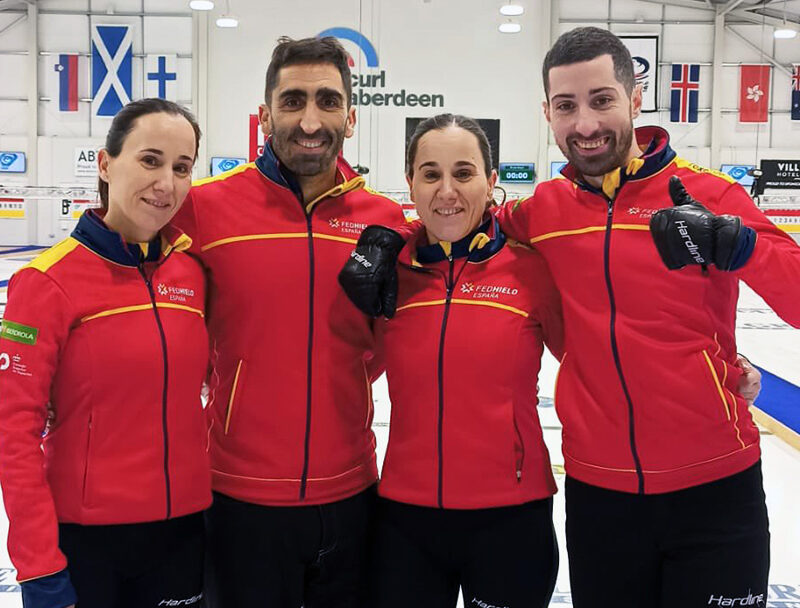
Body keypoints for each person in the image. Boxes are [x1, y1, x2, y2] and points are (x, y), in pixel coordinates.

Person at [339, 26, 800, 608]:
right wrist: (395, 243)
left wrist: (745, 248)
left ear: (635, 98)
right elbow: (459, 219)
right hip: (601, 496)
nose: (585, 124)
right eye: (567, 106)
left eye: (602, 100)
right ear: (548, 114)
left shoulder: (705, 196)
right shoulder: (542, 215)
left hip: (714, 485)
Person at [171, 36, 405, 607]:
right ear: (266, 113)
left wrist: (340, 385)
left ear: (350, 117)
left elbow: (381, 344)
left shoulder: (384, 221)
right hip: (237, 497)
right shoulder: (204, 208)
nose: (309, 119)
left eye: (327, 101)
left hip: (350, 490)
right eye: (293, 100)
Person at [0, 98, 210, 608]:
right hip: (87, 544)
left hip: (183, 535)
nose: (166, 183)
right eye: (150, 159)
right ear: (105, 163)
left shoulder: (191, 274)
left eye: (182, 168)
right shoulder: (46, 282)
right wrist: (39, 566)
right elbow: (12, 433)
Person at [368, 114, 562, 608]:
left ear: (491, 181)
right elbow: (344, 366)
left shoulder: (531, 269)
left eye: (464, 172)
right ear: (410, 183)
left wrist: (725, 366)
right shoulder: (390, 272)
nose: (447, 190)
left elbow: (600, 355)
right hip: (404, 519)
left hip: (511, 519)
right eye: (430, 174)